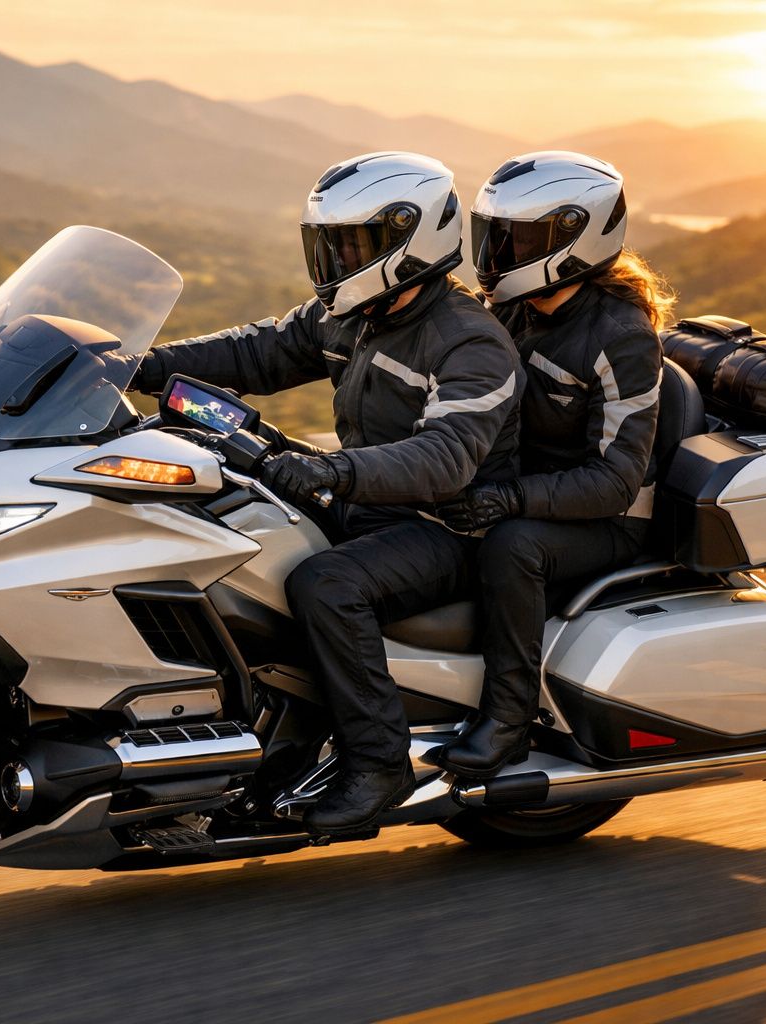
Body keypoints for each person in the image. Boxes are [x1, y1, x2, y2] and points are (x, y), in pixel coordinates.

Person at [132, 152, 523, 833]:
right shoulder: (355, 313)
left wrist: (332, 471)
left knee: (326, 585)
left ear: (411, 242)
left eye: (354, 244)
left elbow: (446, 460)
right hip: (367, 501)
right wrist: (133, 363)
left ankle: (378, 764)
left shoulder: (470, 343)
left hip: (447, 525)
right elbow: (254, 352)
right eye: (330, 243)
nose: (337, 259)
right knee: (227, 529)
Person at [427, 151, 672, 779]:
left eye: (517, 240)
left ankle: (508, 721)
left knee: (513, 547)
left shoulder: (621, 336)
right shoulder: (516, 306)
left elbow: (615, 483)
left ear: (572, 240)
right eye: (496, 235)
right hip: (529, 489)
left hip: (605, 518)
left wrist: (509, 499)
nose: (498, 253)